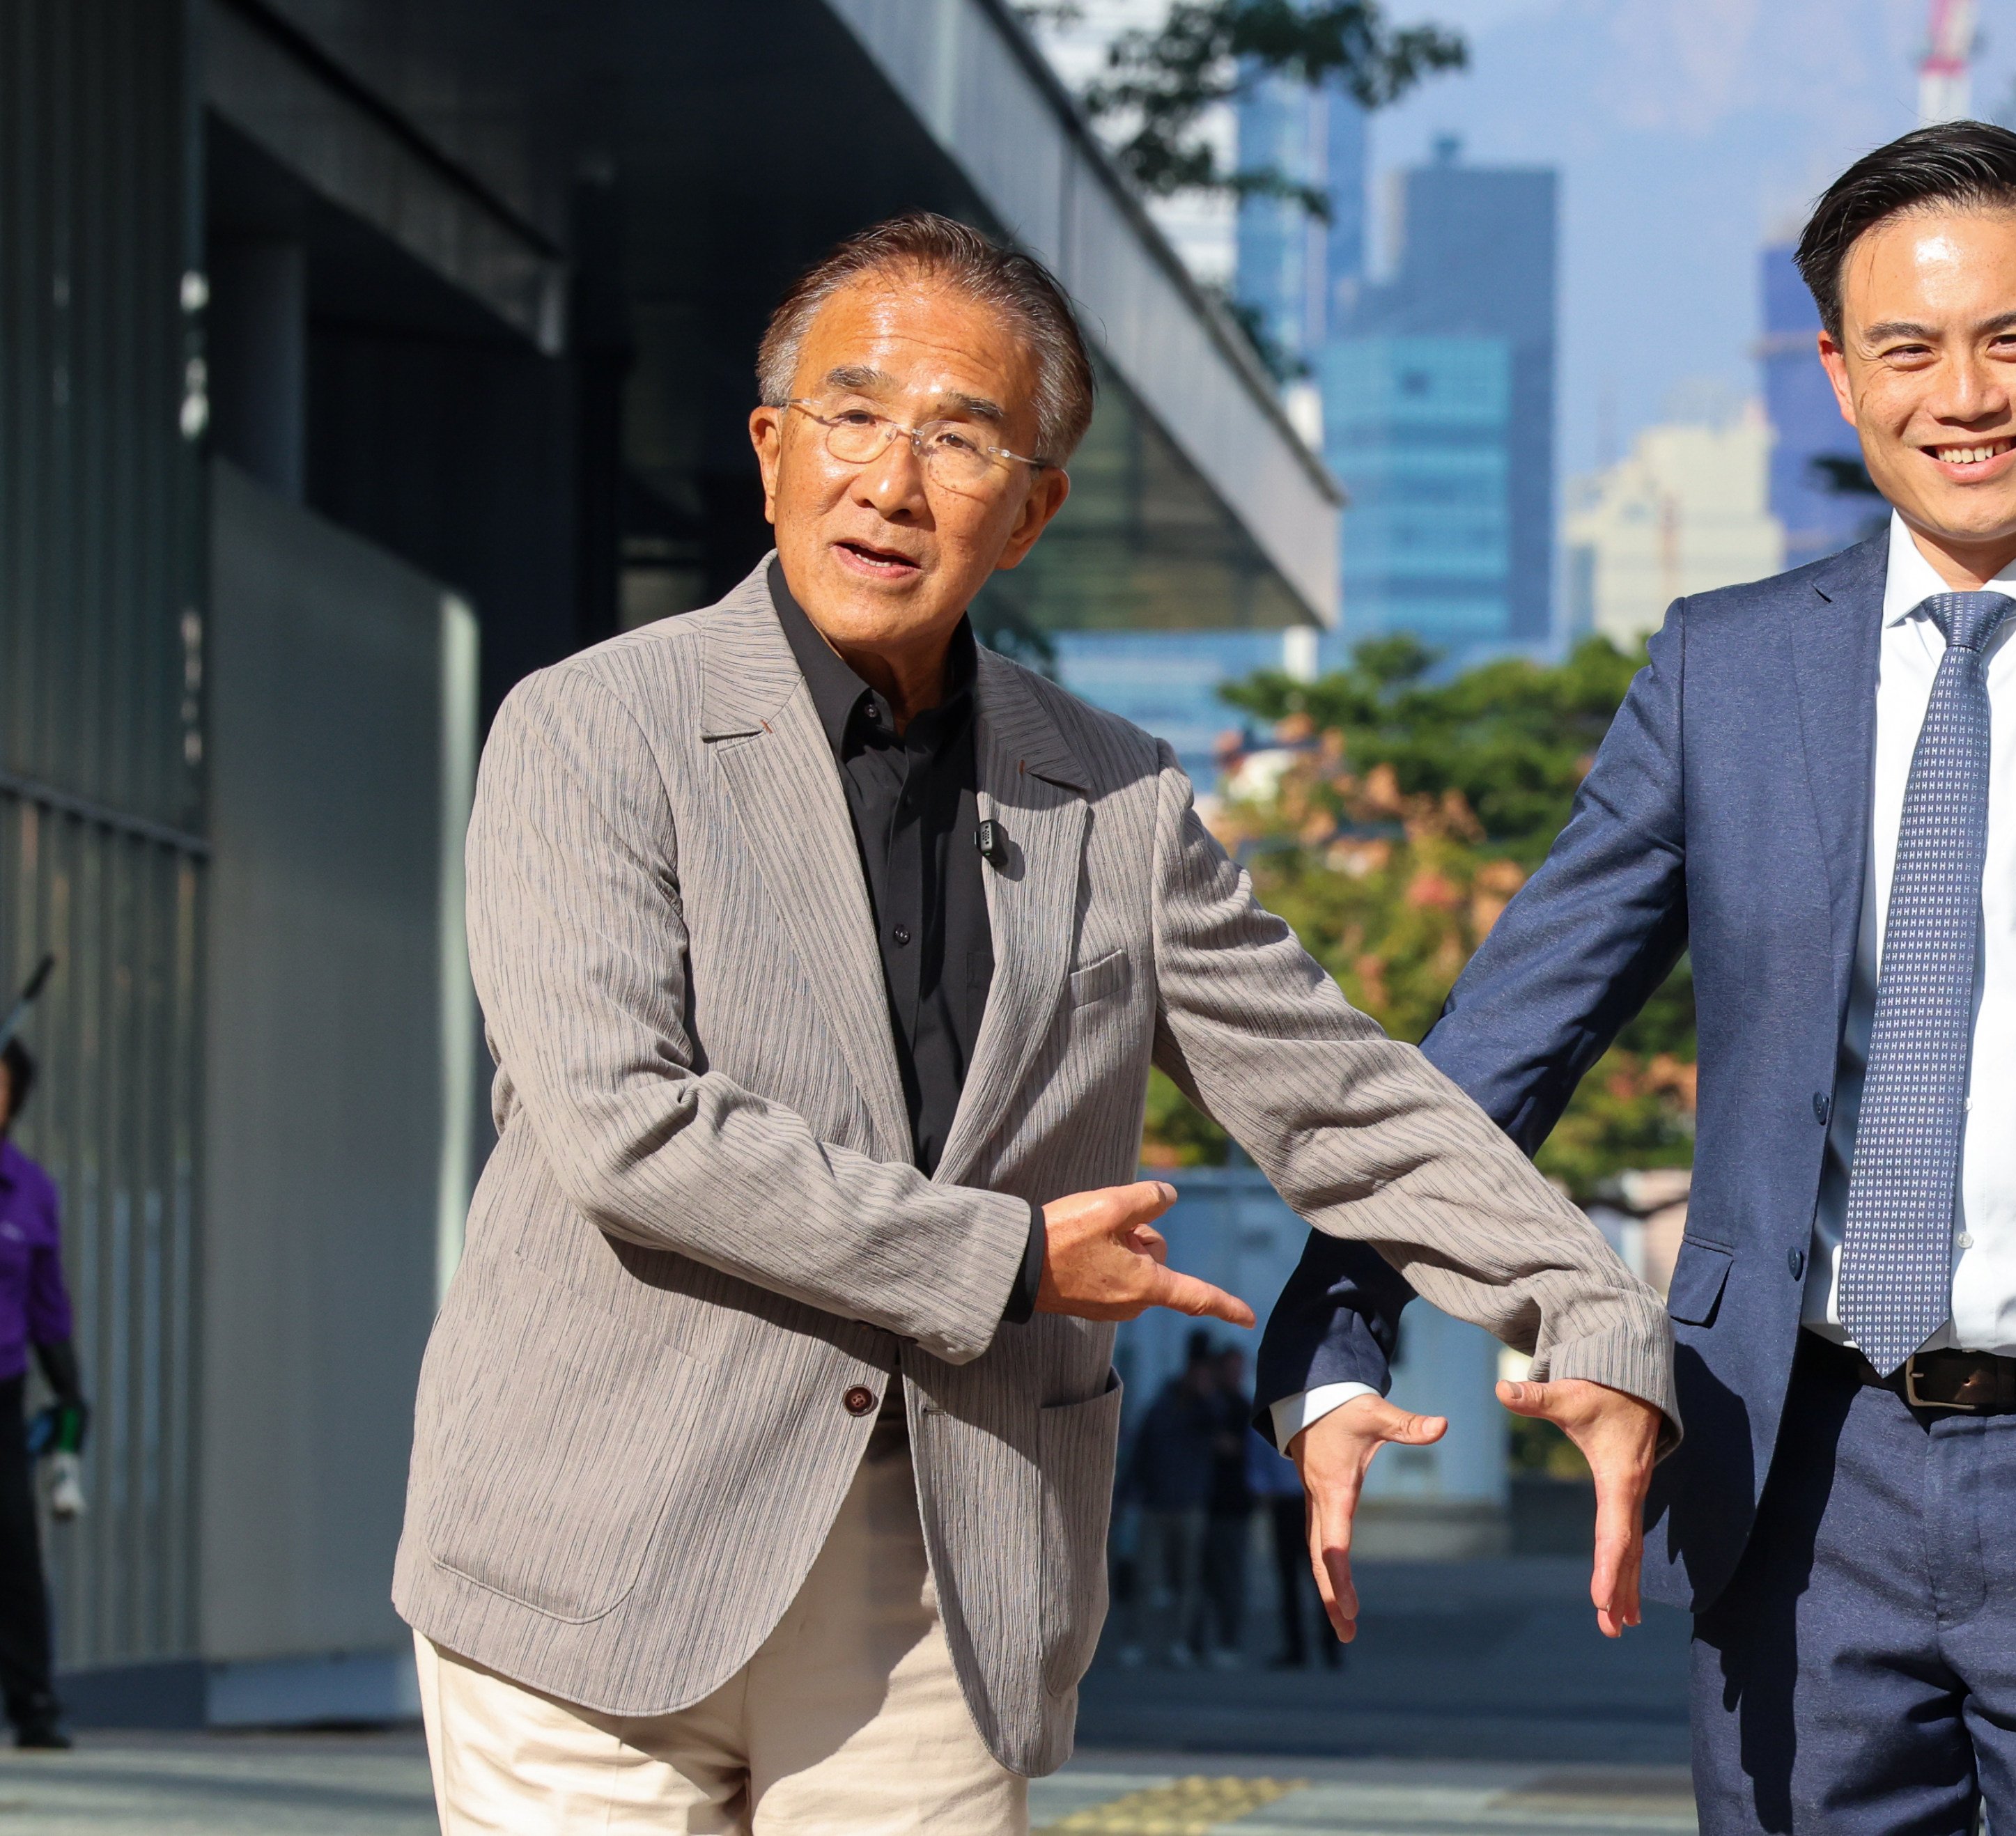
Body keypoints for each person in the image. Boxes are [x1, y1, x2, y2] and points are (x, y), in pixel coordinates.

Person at [394, 212, 1677, 1834]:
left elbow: (1342, 1095)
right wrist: (1003, 1259)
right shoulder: (592, 729)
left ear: (1033, 509)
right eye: (853, 417)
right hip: (593, 1534)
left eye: (961, 436)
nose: (893, 479)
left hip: (948, 1552)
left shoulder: (1119, 796)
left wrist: (1590, 1307)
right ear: (772, 448)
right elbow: (619, 1122)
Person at [1262, 122, 2016, 1835]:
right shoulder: (1725, 669)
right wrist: (1338, 1333)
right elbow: (1508, 1037)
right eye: (1907, 348)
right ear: (1837, 373)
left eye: (2014, 338)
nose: (1963, 393)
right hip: (1790, 1472)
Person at [0, 1041, 79, 1752]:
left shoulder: (29, 1190)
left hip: (3, 1392)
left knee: (16, 1548)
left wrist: (71, 1392)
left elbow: (48, 1306)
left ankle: (34, 1702)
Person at [1126, 1339, 1220, 1669]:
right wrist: (1129, 1493)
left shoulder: (1206, 1409)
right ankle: (1138, 1640)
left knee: (1188, 1578)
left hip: (1190, 1505)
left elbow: (1220, 1425)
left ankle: (1180, 1641)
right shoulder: (1161, 1407)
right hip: (1156, 1503)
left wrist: (1206, 1395)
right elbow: (1141, 1450)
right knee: (1146, 1578)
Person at [1249, 1408, 1336, 1670]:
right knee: (1289, 1579)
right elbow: (1257, 1463)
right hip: (1285, 1503)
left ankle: (1330, 1645)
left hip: (1313, 1501)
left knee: (1322, 1579)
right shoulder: (1272, 1417)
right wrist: (1262, 1490)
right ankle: (1296, 1646)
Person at [1195, 1346, 1257, 1667]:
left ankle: (1228, 1639)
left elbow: (1240, 1450)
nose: (1236, 1376)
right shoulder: (1209, 1404)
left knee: (1230, 1577)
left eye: (1239, 1370)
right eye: (1231, 1370)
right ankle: (1197, 1641)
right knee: (1202, 1576)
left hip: (1234, 1506)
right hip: (1205, 1502)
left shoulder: (1244, 1408)